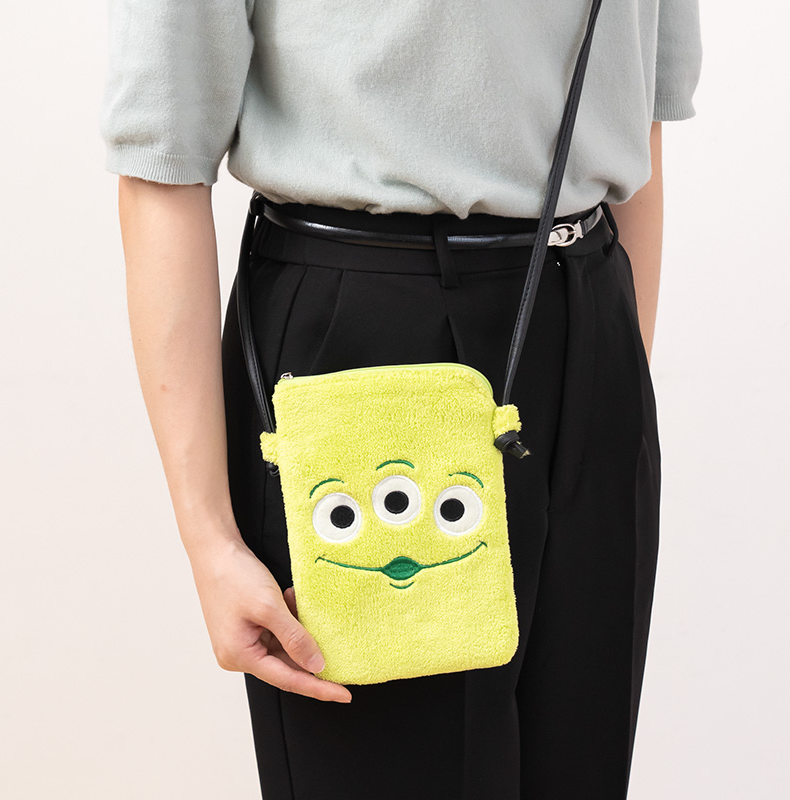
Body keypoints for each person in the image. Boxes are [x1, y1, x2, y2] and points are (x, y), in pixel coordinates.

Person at [98, 1, 702, 797]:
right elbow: (161, 159)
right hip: (371, 334)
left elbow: (638, 116)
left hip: (590, 311)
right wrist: (210, 538)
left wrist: (608, 389)